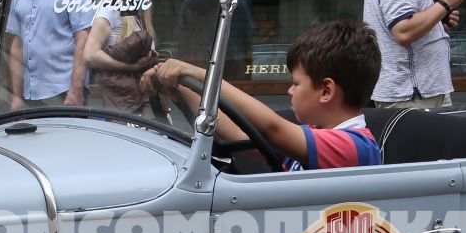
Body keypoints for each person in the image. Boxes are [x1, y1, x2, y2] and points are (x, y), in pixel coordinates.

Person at [145, 19, 383, 171]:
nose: (290, 90)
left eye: (295, 83)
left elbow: (272, 128)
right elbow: (240, 136)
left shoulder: (355, 146)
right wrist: (179, 89)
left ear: (326, 90)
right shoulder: (314, 137)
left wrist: (198, 74)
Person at [84, 0, 163, 115]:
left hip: (142, 96)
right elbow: (90, 54)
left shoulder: (139, 10)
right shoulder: (110, 7)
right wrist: (129, 66)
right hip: (124, 102)